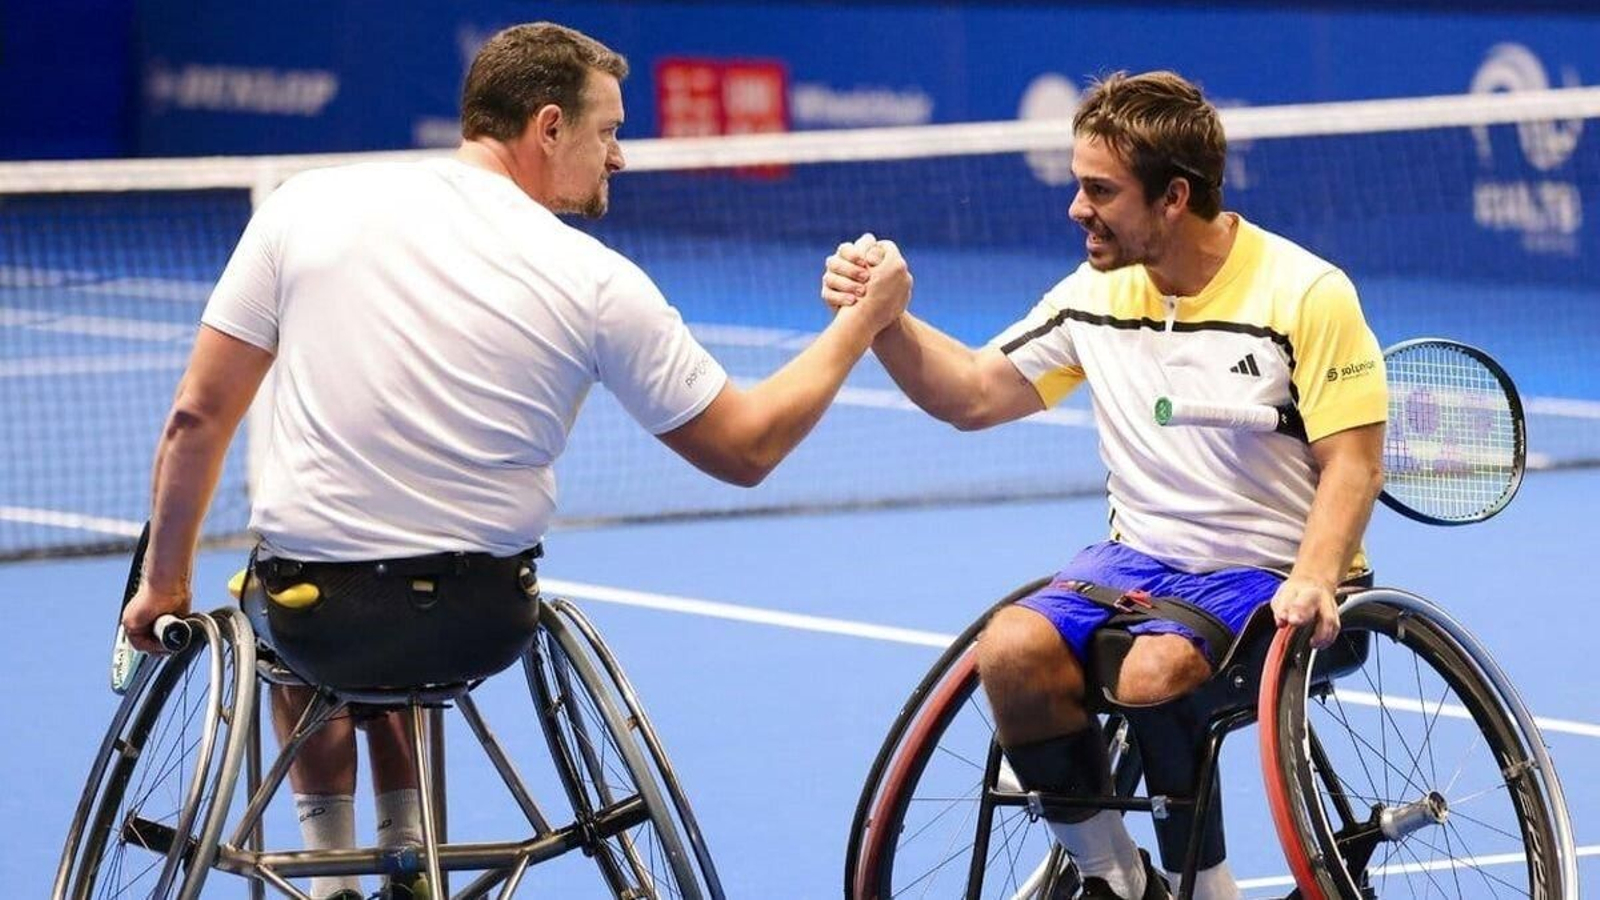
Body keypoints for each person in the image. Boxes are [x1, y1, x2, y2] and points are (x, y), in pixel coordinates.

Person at [120, 21, 911, 900]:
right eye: (608, 131)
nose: (619, 157)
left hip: (318, 611)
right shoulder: (596, 279)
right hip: (483, 619)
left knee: (303, 630)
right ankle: (402, 859)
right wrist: (860, 325)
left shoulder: (303, 208)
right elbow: (748, 445)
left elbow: (197, 416)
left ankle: (337, 878)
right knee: (404, 626)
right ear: (547, 127)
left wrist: (163, 586)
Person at [823, 71, 1386, 900]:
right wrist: (886, 320)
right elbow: (973, 392)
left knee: (1154, 674)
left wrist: (1314, 575)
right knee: (1009, 649)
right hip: (1135, 566)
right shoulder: (1097, 294)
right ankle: (1117, 879)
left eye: (1099, 190)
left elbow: (1354, 460)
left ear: (1173, 198)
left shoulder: (1305, 292)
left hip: (1272, 577)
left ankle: (1206, 885)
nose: (1077, 209)